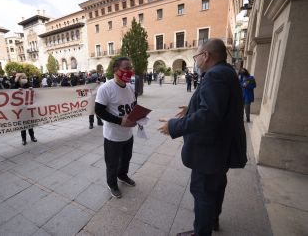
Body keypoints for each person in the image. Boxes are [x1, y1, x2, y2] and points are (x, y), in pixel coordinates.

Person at [158, 39, 247, 236]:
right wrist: (189, 108)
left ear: (205, 56)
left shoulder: (215, 76)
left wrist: (173, 126)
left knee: (203, 193)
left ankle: (202, 231)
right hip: (220, 149)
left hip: (210, 151)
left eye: (196, 56)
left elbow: (209, 115)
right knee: (216, 187)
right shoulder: (226, 72)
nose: (196, 61)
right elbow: (218, 106)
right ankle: (212, 220)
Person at [95, 56, 137, 199]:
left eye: (130, 68)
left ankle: (122, 176)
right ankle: (112, 184)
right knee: (112, 163)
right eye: (126, 68)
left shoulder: (131, 87)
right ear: (116, 69)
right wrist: (119, 121)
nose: (130, 71)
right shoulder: (105, 89)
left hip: (128, 135)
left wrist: (138, 117)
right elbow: (99, 111)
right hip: (113, 136)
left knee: (126, 158)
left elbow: (133, 106)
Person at [14, 73, 37, 145]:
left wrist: (31, 89)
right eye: (22, 78)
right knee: (23, 125)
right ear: (19, 79)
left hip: (28, 108)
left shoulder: (28, 84)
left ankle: (32, 137)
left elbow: (35, 93)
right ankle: (23, 139)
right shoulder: (15, 85)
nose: (24, 79)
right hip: (20, 108)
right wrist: (16, 90)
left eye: (25, 78)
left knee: (30, 124)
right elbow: (10, 92)